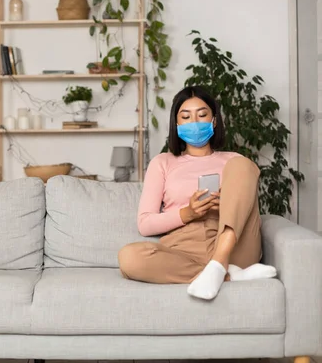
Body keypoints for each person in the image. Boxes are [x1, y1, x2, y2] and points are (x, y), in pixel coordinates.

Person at [118, 85, 276, 301]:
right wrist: (188, 213)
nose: (195, 122)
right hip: (182, 251)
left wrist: (227, 204)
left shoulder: (233, 160)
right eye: (186, 117)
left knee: (242, 164)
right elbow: (145, 224)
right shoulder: (162, 162)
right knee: (129, 257)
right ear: (176, 124)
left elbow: (247, 207)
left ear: (214, 121)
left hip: (232, 245)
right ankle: (227, 274)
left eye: (202, 115)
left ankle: (220, 261)